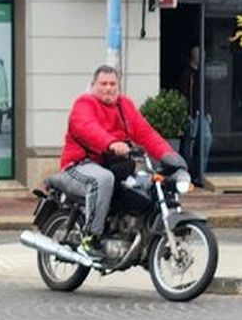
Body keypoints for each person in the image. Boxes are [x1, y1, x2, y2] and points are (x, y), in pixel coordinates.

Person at [56, 64, 180, 261]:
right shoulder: (84, 104)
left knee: (149, 184)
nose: (108, 88)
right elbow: (88, 128)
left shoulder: (125, 105)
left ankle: (140, 238)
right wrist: (111, 143)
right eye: (103, 83)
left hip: (112, 165)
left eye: (112, 83)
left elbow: (145, 132)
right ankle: (91, 239)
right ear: (94, 85)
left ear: (118, 86)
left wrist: (170, 156)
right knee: (102, 179)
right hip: (79, 165)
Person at [177, 45, 211, 185]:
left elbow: (205, 94)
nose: (203, 57)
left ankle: (202, 173)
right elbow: (185, 95)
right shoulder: (187, 74)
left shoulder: (202, 73)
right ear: (194, 56)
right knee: (189, 145)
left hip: (202, 113)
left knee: (206, 140)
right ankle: (188, 174)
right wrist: (186, 113)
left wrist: (208, 111)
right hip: (191, 113)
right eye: (200, 55)